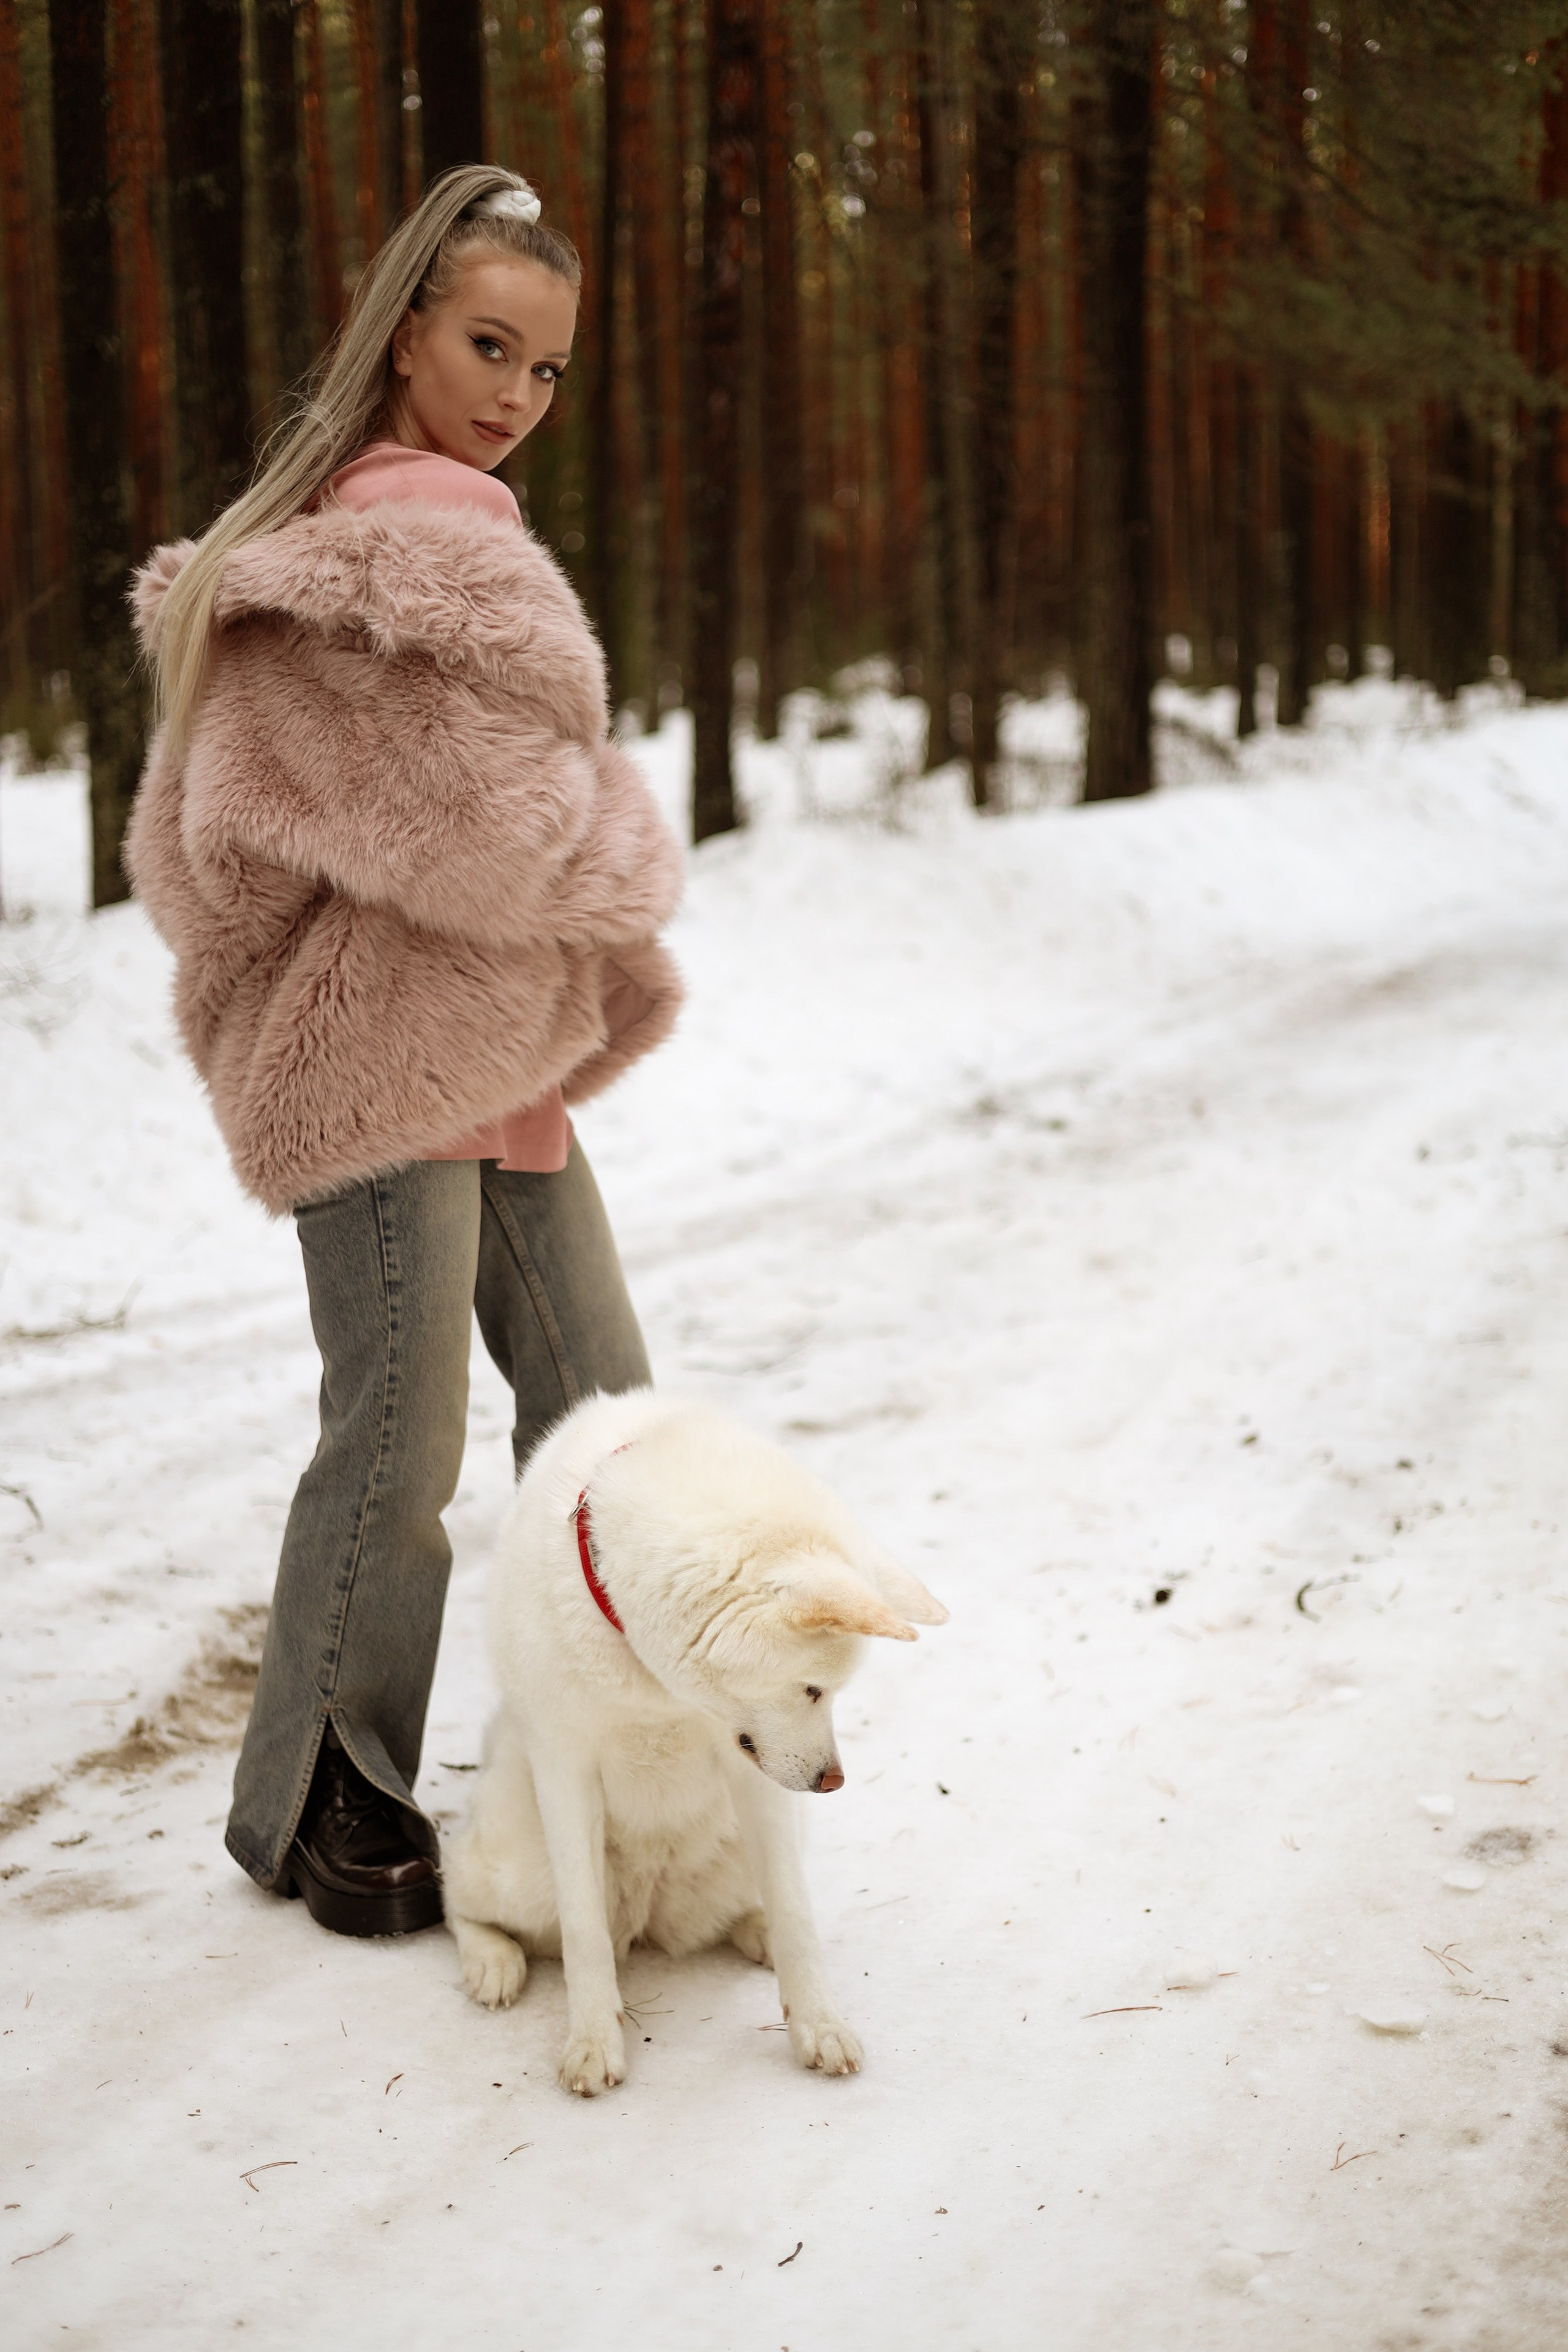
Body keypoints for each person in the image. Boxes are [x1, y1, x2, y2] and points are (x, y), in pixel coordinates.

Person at [125, 165, 684, 1940]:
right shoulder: (380, 556)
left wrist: (559, 831)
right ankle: (322, 1796)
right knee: (399, 1443)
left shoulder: (446, 540)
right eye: (489, 346)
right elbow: (483, 830)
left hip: (490, 1055)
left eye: (550, 367)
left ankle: (618, 1751)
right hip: (383, 1066)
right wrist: (620, 843)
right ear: (407, 337)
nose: (519, 393)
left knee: (601, 1406)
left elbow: (459, 819)